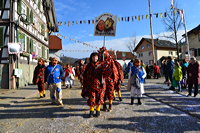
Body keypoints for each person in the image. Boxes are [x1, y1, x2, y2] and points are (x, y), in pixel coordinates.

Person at [81, 52, 105, 117]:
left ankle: (98, 111)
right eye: (93, 57)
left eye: (96, 57)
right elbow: (85, 75)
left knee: (99, 98)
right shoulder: (88, 66)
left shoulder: (101, 65)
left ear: (98, 58)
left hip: (100, 85)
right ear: (91, 58)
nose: (95, 58)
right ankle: (91, 111)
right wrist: (85, 83)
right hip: (91, 85)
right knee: (91, 98)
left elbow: (105, 74)